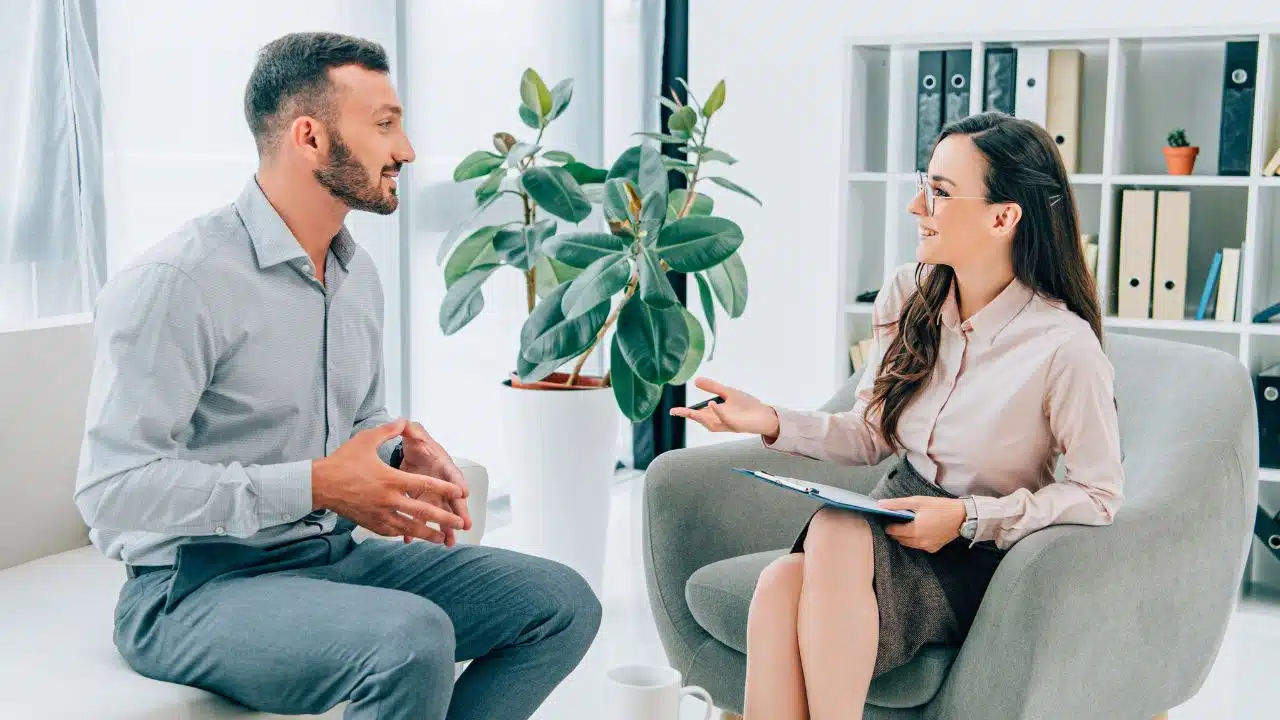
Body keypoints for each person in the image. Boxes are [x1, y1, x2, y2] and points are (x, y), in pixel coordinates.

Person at [74, 31, 600, 720]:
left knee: (562, 603)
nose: (406, 150)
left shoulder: (356, 276)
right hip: (190, 590)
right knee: (410, 640)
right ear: (310, 138)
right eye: (384, 125)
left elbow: (356, 420)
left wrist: (396, 450)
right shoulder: (180, 281)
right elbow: (110, 492)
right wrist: (317, 485)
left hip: (329, 554)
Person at [672, 111, 1124, 720]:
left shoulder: (1063, 347)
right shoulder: (908, 294)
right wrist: (769, 420)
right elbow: (870, 435)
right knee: (780, 585)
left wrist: (967, 516)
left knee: (825, 537)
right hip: (895, 510)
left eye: (940, 191)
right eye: (924, 183)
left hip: (977, 550)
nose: (917, 206)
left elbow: (1098, 495)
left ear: (1003, 216)